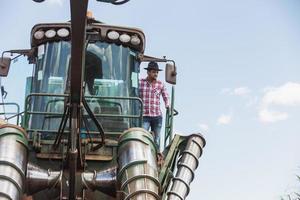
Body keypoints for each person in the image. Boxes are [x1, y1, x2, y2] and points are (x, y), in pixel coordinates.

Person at [139, 61, 169, 150]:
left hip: (157, 116)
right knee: (143, 136)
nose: (156, 74)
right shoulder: (140, 82)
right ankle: (142, 154)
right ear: (148, 72)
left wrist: (167, 104)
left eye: (157, 72)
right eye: (153, 72)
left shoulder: (160, 84)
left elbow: (165, 95)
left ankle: (156, 157)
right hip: (145, 115)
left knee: (156, 139)